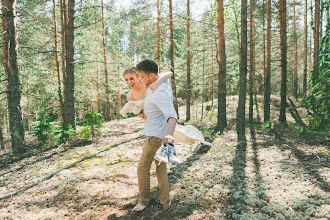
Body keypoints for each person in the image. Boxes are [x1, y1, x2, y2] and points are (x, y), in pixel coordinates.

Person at [131, 59, 177, 212]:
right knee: (161, 168)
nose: (140, 80)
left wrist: (170, 134)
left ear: (151, 75)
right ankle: (165, 202)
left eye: (142, 77)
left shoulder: (160, 93)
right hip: (158, 132)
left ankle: (143, 201)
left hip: (155, 137)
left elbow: (172, 115)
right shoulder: (160, 82)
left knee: (142, 168)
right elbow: (168, 73)